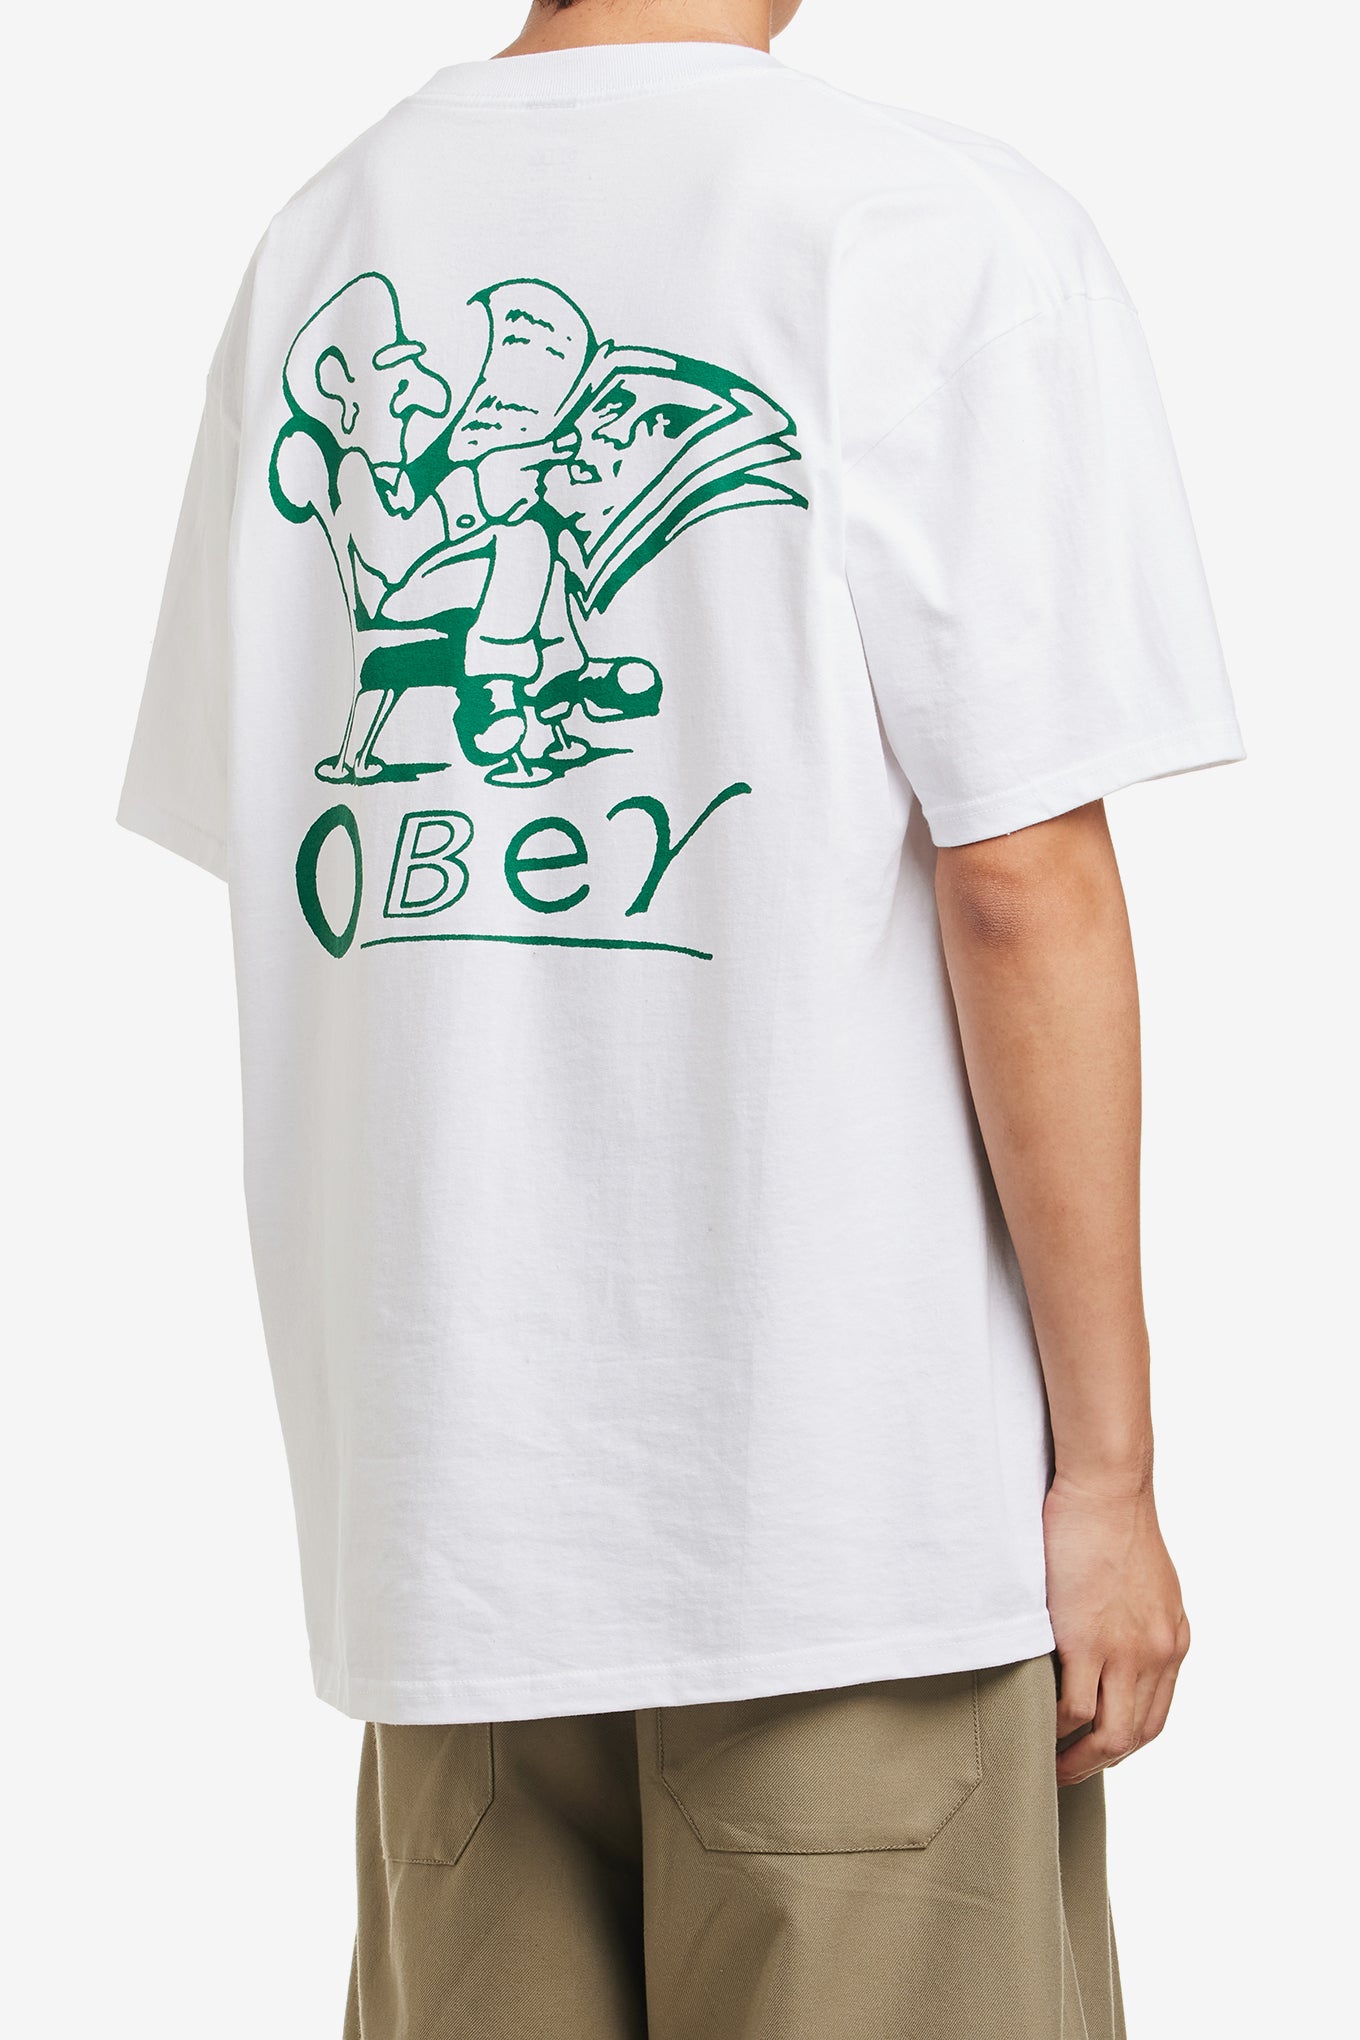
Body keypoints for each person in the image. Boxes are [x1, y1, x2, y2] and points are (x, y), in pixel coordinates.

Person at [117, 0, 1244, 2033]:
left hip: (447, 1545)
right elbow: (1018, 887)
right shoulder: (918, 225)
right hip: (849, 1537)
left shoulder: (321, 241)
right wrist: (1107, 1482)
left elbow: (283, 837)